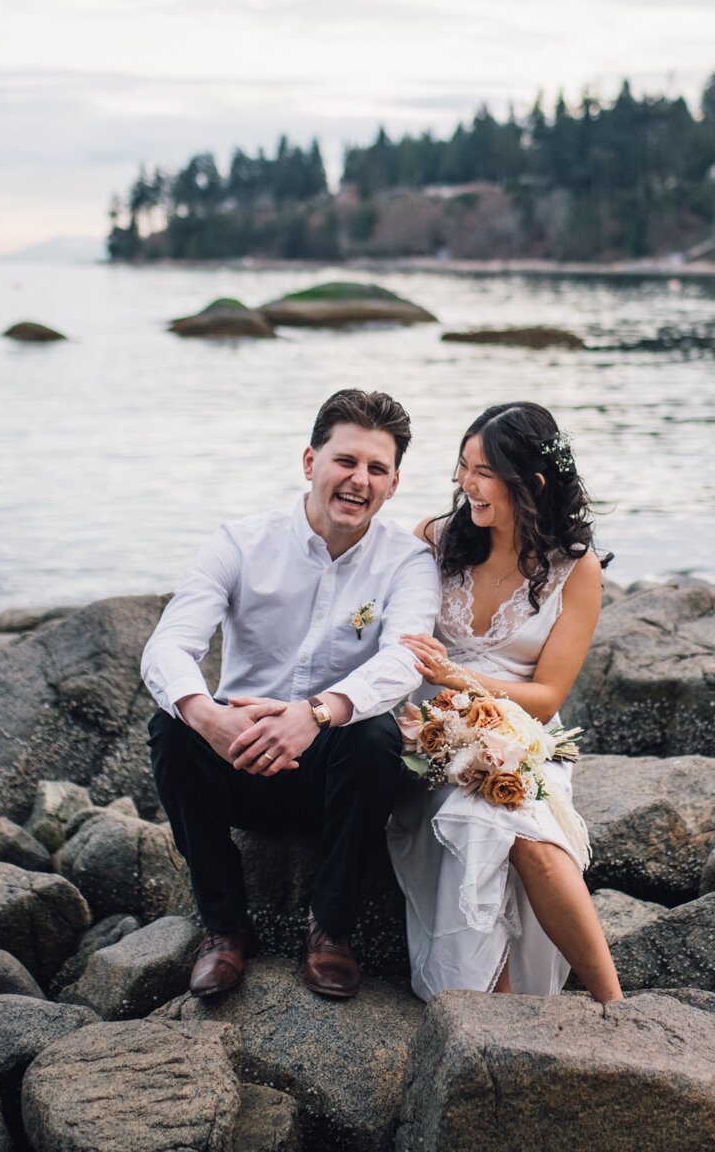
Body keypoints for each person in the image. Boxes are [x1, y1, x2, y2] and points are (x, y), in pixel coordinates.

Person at [141, 388, 441, 999]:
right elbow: (167, 647)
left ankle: (331, 930)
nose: (359, 480)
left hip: (333, 773)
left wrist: (316, 714)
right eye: (346, 461)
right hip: (240, 756)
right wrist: (208, 717)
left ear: (393, 483)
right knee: (171, 727)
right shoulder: (240, 542)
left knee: (378, 734)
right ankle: (225, 929)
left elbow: (406, 658)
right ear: (310, 462)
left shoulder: (408, 561)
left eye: (376, 469)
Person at [387, 401, 623, 1003]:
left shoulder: (576, 569)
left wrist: (460, 679)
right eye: (463, 467)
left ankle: (614, 1005)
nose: (466, 485)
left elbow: (547, 698)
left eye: (483, 472)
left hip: (523, 731)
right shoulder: (436, 539)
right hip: (429, 731)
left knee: (523, 830)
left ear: (533, 484)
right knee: (489, 820)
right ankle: (492, 1007)